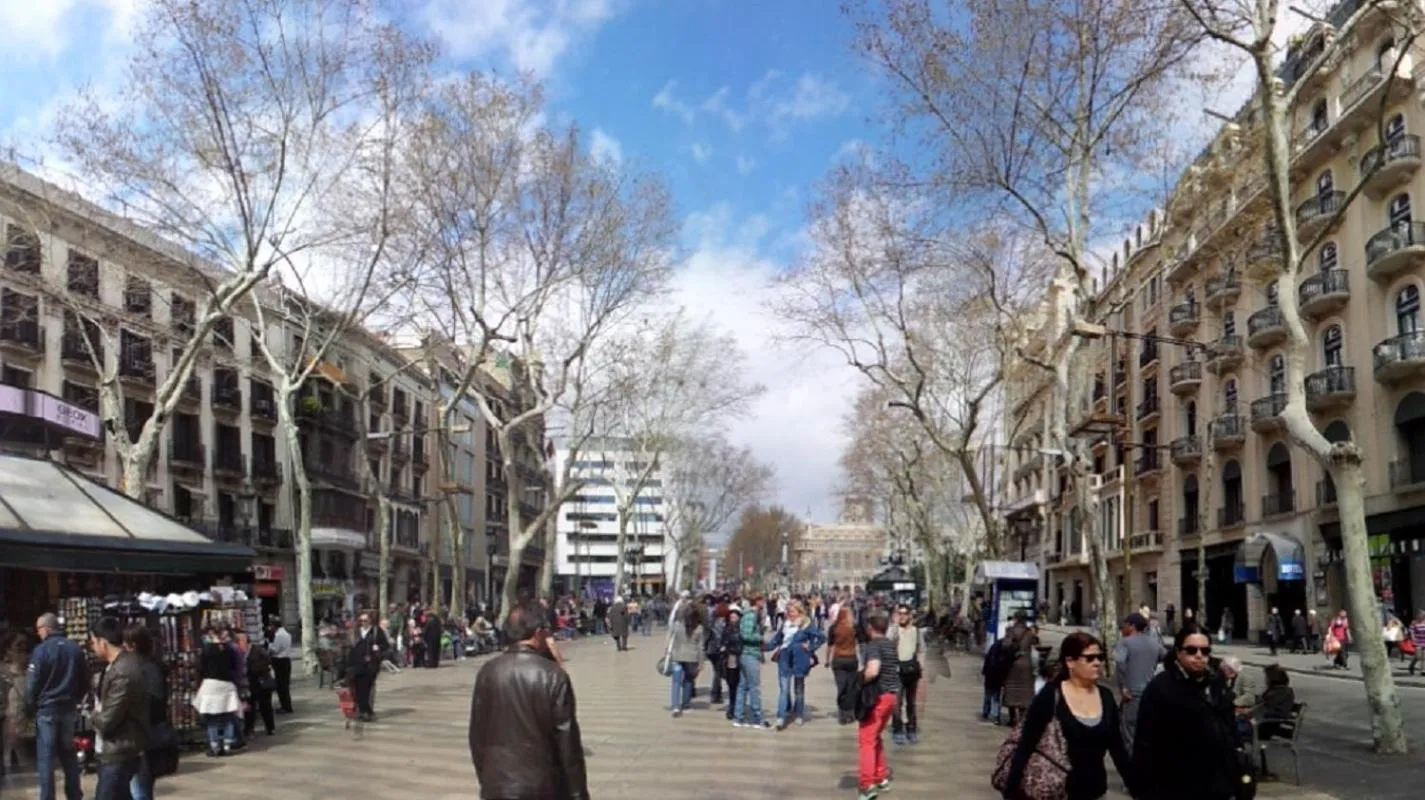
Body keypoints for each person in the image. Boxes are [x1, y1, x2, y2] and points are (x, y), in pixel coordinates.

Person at [468, 600, 588, 799]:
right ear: (538, 632)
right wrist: (578, 793)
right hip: (541, 788)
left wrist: (488, 779)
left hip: (497, 786)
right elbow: (568, 745)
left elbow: (476, 737)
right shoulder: (553, 675)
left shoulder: (487, 672)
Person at [1002, 632, 1132, 800]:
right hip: (1057, 791)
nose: (1097, 663)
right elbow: (1026, 745)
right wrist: (1012, 791)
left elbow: (1118, 749)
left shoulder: (1106, 697)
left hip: (1095, 792)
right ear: (1070, 662)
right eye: (1090, 658)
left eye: (1100, 657)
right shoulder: (1051, 696)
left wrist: (1137, 788)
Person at [1133, 625, 1246, 800]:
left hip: (1219, 784)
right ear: (1178, 652)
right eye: (1192, 650)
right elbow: (1144, 743)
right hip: (1177, 785)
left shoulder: (1216, 683)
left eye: (1205, 650)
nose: (1199, 656)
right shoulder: (1161, 687)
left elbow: (1229, 728)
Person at [27, 612, 90, 800]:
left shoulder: (41, 651)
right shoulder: (75, 649)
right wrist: (76, 699)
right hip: (68, 709)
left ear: (45, 628)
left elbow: (33, 682)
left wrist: (32, 705)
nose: (38, 634)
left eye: (38, 629)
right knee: (69, 755)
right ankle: (74, 794)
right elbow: (84, 680)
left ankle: (47, 797)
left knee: (46, 759)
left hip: (47, 710)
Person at [89, 617, 149, 800]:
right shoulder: (117, 667)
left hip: (120, 750)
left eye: (93, 642)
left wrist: (92, 715)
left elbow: (108, 719)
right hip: (119, 748)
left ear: (103, 642)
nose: (92, 647)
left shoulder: (123, 671)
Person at [122, 624, 171, 800]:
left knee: (140, 785)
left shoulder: (147, 668)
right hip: (142, 732)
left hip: (145, 734)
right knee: (139, 784)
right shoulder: (145, 666)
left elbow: (155, 701)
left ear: (132, 645)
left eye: (125, 644)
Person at [857, 610, 899, 800]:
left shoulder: (873, 646)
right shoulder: (891, 645)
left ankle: (867, 785)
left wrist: (860, 680)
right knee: (876, 737)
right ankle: (880, 775)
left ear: (871, 629)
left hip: (878, 697)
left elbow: (873, 670)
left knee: (866, 739)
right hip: (892, 696)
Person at [765, 600, 823, 730]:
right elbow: (776, 640)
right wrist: (762, 647)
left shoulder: (806, 624)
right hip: (784, 658)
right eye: (787, 611)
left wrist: (810, 647)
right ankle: (781, 717)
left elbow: (821, 637)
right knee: (784, 689)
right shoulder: (785, 624)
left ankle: (799, 714)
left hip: (800, 659)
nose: (788, 614)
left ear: (799, 612)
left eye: (791, 611)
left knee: (799, 689)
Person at [1113, 612, 1162, 753]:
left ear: (1132, 626)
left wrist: (1123, 687)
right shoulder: (1154, 643)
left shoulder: (1125, 642)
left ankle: (1133, 765)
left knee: (1129, 731)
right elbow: (1166, 657)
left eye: (1125, 625)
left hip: (1132, 694)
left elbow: (1120, 663)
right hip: (1150, 694)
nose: (1123, 628)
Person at [193, 624, 241, 757]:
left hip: (211, 684)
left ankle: (214, 745)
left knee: (212, 718)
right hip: (227, 684)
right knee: (228, 716)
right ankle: (227, 744)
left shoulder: (207, 649)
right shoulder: (229, 649)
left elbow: (201, 668)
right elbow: (235, 666)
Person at [733, 593, 771, 729]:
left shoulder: (749, 614)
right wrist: (760, 638)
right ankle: (758, 718)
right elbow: (746, 634)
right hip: (750, 654)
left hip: (747, 654)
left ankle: (739, 717)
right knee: (754, 687)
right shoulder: (751, 615)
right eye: (763, 600)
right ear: (758, 601)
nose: (765, 602)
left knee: (742, 686)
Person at [888, 603, 923, 745]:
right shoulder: (893, 630)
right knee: (896, 702)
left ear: (909, 615)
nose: (902, 616)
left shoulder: (916, 631)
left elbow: (921, 649)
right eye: (899, 613)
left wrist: (921, 665)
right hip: (897, 670)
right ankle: (897, 729)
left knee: (911, 702)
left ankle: (911, 728)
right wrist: (895, 627)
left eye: (904, 614)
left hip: (912, 671)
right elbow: (888, 643)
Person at [2, 633, 35, 779]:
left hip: (30, 723)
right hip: (8, 722)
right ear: (8, 650)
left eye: (25, 645)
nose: (22, 649)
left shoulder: (32, 670)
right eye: (18, 645)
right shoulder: (3, 672)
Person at [347, 610, 389, 722]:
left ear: (370, 620)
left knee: (366, 688)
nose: (363, 623)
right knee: (358, 688)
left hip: (371, 664)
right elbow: (350, 647)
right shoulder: (356, 631)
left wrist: (378, 648)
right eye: (361, 620)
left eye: (365, 620)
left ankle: (367, 711)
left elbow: (386, 645)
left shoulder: (376, 631)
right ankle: (363, 711)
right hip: (357, 664)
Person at [668, 604, 706, 718]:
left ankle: (675, 706)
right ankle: (686, 704)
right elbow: (700, 647)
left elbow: (671, 640)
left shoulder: (677, 625)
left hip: (677, 656)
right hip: (691, 658)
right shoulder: (699, 628)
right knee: (688, 681)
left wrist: (669, 654)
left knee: (676, 682)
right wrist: (701, 662)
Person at [825, 606, 860, 725]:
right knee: (851, 687)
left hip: (838, 659)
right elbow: (861, 642)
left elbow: (830, 645)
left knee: (841, 688)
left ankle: (842, 715)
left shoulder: (833, 628)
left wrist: (827, 660)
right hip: (851, 658)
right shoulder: (854, 627)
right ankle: (850, 713)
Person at [999, 618, 1037, 726]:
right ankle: (1022, 719)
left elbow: (1005, 645)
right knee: (1024, 694)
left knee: (1011, 692)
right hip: (1026, 665)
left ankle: (1012, 719)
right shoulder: (1029, 633)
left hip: (1013, 665)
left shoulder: (1010, 631)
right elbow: (1035, 642)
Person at [243, 636, 276, 737]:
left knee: (265, 707)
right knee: (249, 708)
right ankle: (249, 729)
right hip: (251, 683)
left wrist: (254, 669)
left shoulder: (257, 650)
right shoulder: (243, 652)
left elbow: (267, 661)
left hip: (261, 682)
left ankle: (270, 728)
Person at [720, 607, 745, 722]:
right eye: (731, 617)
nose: (733, 619)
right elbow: (722, 643)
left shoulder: (743, 629)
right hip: (730, 659)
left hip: (742, 658)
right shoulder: (726, 629)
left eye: (735, 616)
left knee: (742, 684)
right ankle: (732, 706)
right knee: (731, 684)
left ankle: (739, 706)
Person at [268, 618, 294, 714]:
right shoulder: (287, 634)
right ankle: (286, 705)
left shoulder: (279, 635)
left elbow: (275, 649)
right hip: (286, 660)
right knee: (285, 684)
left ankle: (285, 706)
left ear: (274, 626)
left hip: (279, 660)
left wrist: (270, 645)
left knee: (281, 685)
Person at [1409, 611, 1425, 675]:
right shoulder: (1414, 623)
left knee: (1424, 656)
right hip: (1417, 641)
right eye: (1421, 615)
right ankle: (1411, 666)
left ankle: (1422, 670)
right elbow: (1411, 632)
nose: (1423, 616)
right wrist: (1413, 639)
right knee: (1418, 656)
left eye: (1424, 615)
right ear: (1418, 616)